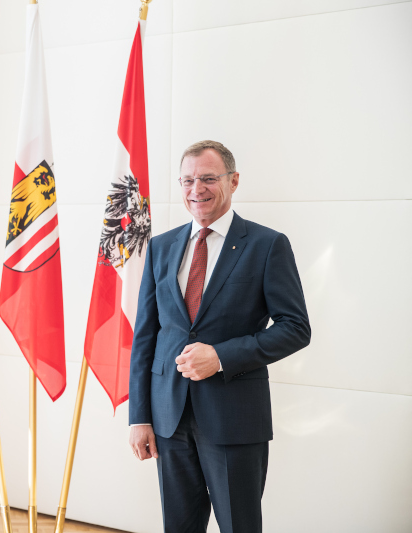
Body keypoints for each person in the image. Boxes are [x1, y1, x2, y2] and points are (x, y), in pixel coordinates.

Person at [128, 141, 311, 533]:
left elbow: (295, 328)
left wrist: (222, 356)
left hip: (234, 418)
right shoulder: (161, 247)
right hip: (168, 418)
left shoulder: (266, 245)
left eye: (209, 178)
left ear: (234, 180)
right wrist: (139, 416)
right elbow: (146, 336)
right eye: (188, 180)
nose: (197, 189)